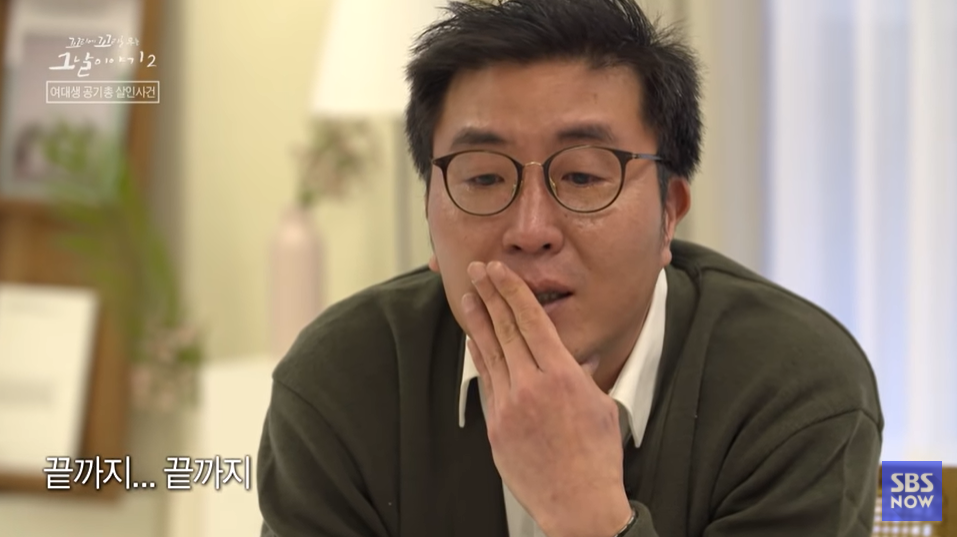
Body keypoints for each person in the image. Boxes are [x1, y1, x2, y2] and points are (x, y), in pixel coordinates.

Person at [257, 0, 884, 535]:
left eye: (583, 176)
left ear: (670, 213)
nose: (530, 231)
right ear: (429, 213)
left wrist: (588, 511)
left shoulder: (794, 392)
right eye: (484, 178)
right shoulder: (340, 386)